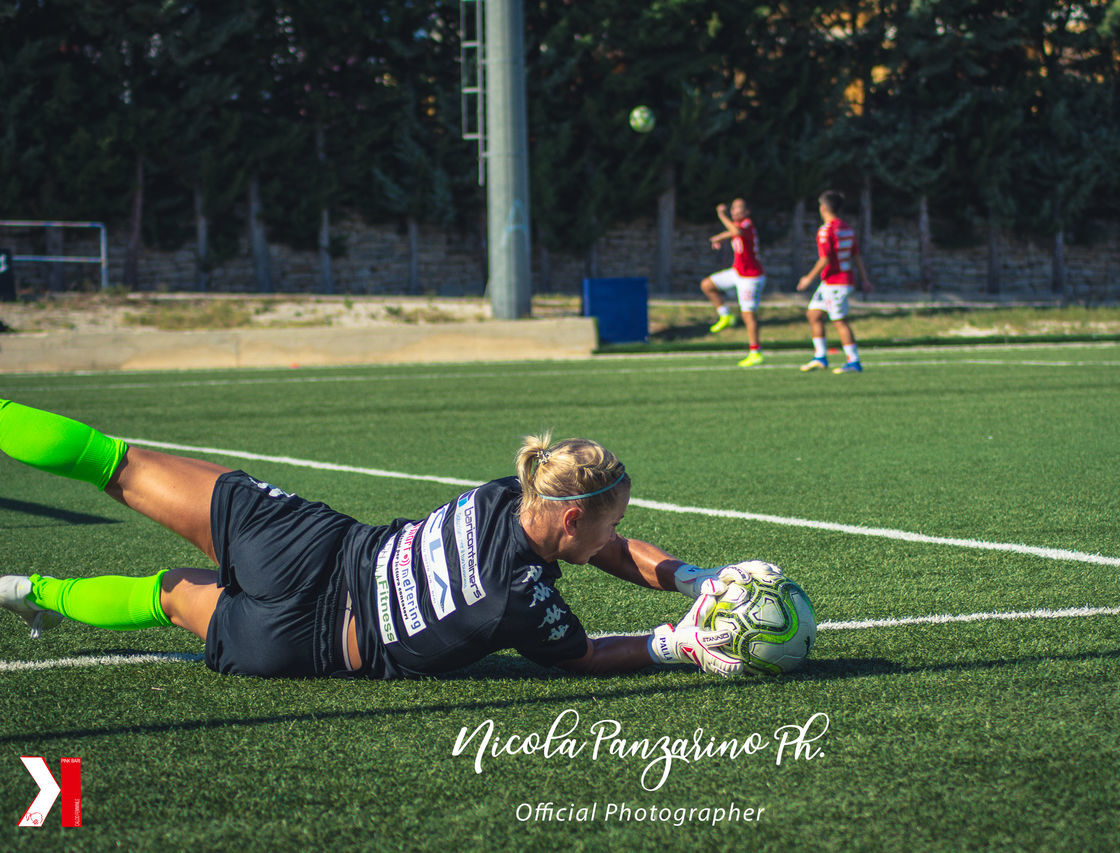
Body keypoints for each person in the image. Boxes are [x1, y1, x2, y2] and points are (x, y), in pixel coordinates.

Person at [0, 400, 778, 678]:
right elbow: (582, 656)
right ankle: (32, 593)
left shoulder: (507, 491)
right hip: (309, 639)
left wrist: (689, 577)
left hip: (307, 545)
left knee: (117, 461)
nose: (619, 538)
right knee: (166, 596)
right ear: (571, 519)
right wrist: (674, 643)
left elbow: (601, 544)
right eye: (611, 521)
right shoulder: (521, 597)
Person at [796, 189, 873, 374]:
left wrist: (808, 278)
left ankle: (854, 361)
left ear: (823, 208)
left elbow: (825, 259)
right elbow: (856, 256)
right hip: (835, 282)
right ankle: (820, 357)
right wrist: (864, 279)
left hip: (835, 283)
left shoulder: (826, 231)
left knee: (839, 321)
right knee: (813, 314)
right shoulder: (846, 228)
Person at [699, 198, 767, 367]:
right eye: (733, 209)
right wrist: (720, 238)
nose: (735, 211)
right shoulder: (739, 226)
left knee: (748, 315)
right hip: (737, 272)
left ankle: (755, 352)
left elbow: (736, 231)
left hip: (751, 277)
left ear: (747, 212)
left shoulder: (747, 224)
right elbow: (732, 232)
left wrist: (721, 215)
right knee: (707, 285)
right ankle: (725, 315)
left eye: (739, 209)